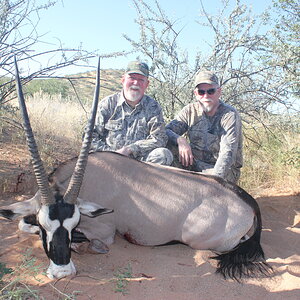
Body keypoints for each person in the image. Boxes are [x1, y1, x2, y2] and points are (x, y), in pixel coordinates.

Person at [166, 70, 243, 183]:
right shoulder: (189, 110)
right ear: (196, 94)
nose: (206, 96)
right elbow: (167, 130)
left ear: (219, 92)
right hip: (194, 164)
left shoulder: (229, 115)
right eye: (201, 92)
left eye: (210, 91)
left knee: (214, 182)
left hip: (219, 169)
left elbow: (227, 154)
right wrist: (180, 140)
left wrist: (214, 181)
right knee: (165, 150)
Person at [91, 60, 173, 165]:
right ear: (123, 80)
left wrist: (131, 149)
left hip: (139, 164)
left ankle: (144, 181)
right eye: (132, 78)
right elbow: (90, 137)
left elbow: (159, 139)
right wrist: (112, 154)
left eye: (141, 80)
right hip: (109, 161)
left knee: (163, 154)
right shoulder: (107, 104)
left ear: (147, 84)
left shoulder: (153, 107)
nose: (136, 83)